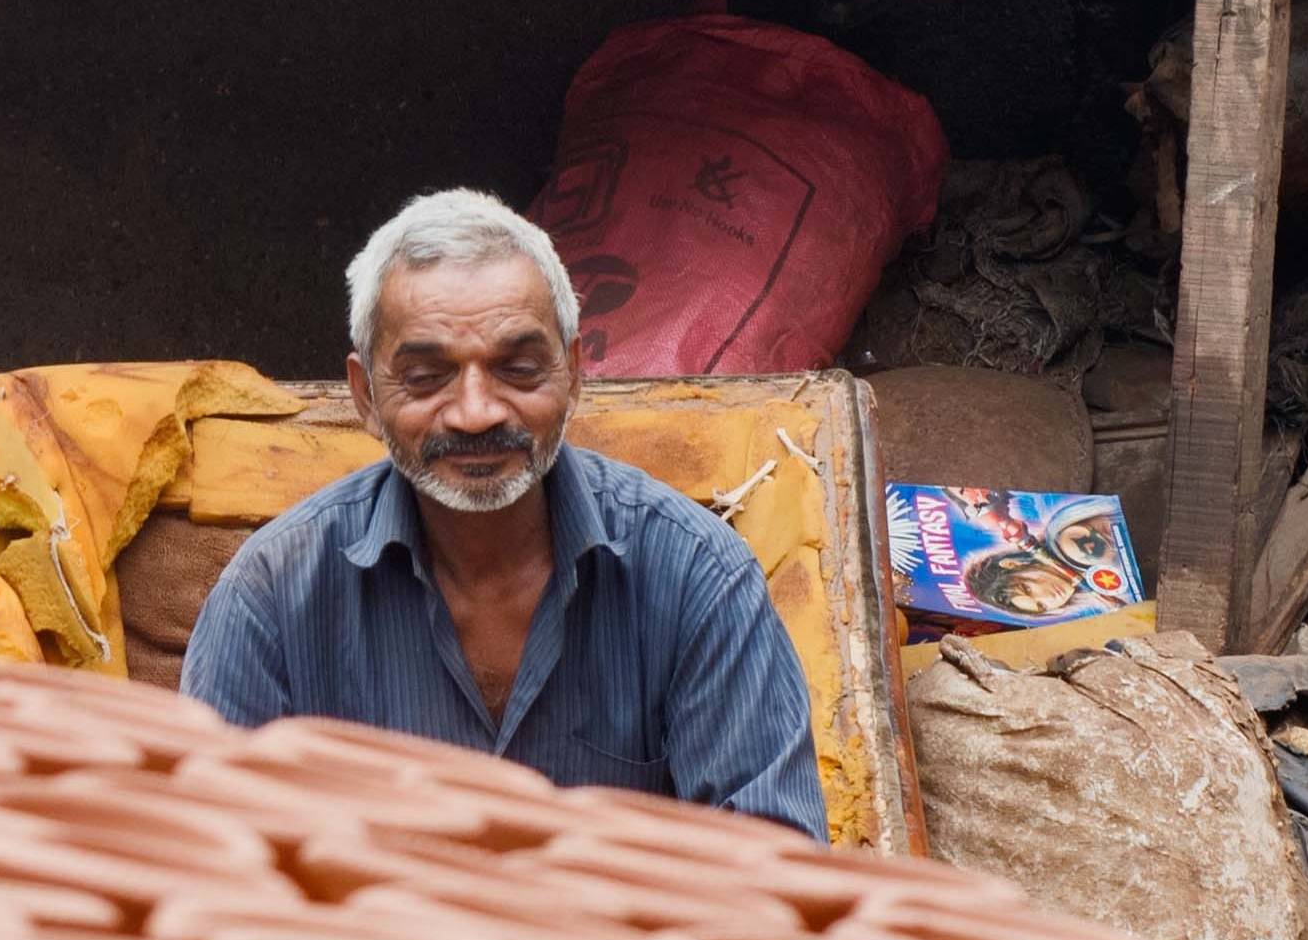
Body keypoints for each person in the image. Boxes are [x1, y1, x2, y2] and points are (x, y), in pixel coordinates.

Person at [179, 186, 825, 832]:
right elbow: (206, 864)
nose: (475, 412)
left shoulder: (695, 577)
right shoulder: (270, 594)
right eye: (426, 377)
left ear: (572, 376)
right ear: (365, 396)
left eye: (516, 368)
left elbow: (774, 868)